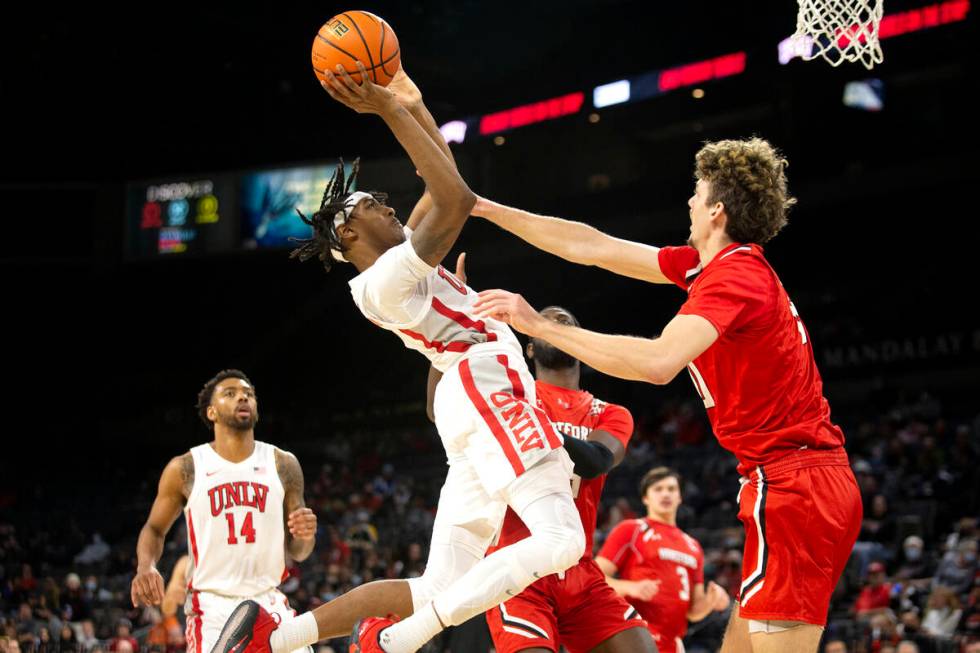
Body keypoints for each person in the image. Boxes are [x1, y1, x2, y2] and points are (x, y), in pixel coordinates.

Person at [209, 62, 584, 653]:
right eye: (369, 204)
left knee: (439, 584)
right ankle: (392, 644)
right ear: (346, 236)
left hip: (474, 396)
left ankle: (274, 639)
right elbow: (457, 199)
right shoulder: (382, 280)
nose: (385, 204)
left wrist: (413, 102)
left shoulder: (401, 260)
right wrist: (389, 110)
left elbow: (443, 182)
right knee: (563, 541)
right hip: (486, 386)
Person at [470, 137, 863, 653]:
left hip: (796, 486)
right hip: (793, 482)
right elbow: (592, 247)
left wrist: (535, 322)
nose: (689, 204)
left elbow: (658, 363)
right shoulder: (714, 268)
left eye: (697, 195)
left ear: (717, 210)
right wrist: (481, 207)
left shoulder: (735, 275)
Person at [450, 305, 655, 653]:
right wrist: (451, 334)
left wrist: (529, 423)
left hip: (580, 569)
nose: (554, 323)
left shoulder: (610, 413)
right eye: (544, 320)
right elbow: (435, 409)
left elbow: (596, 461)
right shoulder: (513, 393)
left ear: (575, 341)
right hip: (517, 566)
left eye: (565, 322)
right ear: (529, 348)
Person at [129, 370, 317, 653]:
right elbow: (154, 529)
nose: (243, 396)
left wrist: (305, 534)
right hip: (212, 606)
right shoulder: (186, 468)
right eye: (230, 393)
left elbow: (300, 550)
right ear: (212, 412)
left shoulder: (283, 464)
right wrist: (146, 566)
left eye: (249, 394)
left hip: (269, 599)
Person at [597, 467, 730, 653]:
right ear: (645, 498)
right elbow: (594, 577)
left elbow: (693, 611)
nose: (665, 494)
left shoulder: (693, 545)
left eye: (671, 489)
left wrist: (712, 602)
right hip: (635, 635)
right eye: (658, 489)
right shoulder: (631, 529)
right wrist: (630, 587)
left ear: (680, 497)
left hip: (673, 642)